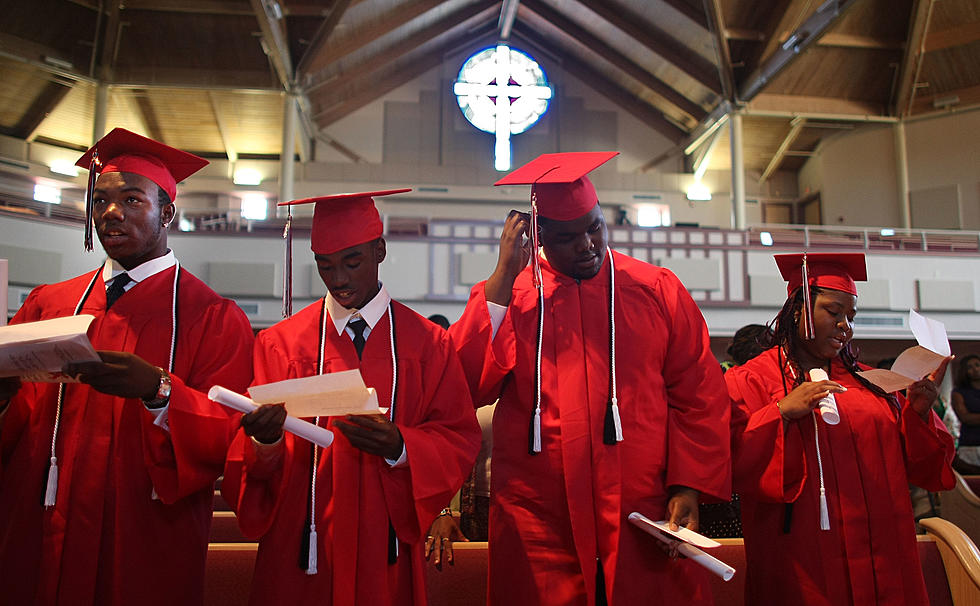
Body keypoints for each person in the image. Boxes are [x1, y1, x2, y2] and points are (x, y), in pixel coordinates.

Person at [450, 152, 731, 605]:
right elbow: (464, 386)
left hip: (643, 507)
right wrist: (501, 279)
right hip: (541, 514)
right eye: (567, 237)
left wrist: (687, 484)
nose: (586, 245)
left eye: (594, 227)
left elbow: (698, 394)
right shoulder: (515, 296)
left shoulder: (655, 289)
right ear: (539, 237)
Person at [0, 128, 254, 606]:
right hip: (42, 523)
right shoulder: (50, 305)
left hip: (142, 536)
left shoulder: (211, 316)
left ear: (167, 213)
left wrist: (161, 393)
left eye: (132, 199)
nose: (111, 213)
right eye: (101, 201)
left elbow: (231, 430)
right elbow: (20, 424)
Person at [222, 190, 480, 605]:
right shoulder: (280, 345)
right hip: (303, 550)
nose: (338, 279)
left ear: (379, 250)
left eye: (352, 262)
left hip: (387, 549)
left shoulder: (429, 344)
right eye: (325, 266)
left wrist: (402, 447)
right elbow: (252, 461)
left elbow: (458, 436)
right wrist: (263, 441)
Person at [726, 252, 954, 605]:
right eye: (834, 312)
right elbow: (732, 464)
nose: (846, 325)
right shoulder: (752, 380)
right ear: (797, 309)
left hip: (886, 558)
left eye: (851, 316)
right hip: (804, 562)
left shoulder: (875, 384)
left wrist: (919, 415)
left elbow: (925, 470)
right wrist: (781, 413)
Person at [952, 354, 980, 466]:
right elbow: (965, 417)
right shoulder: (959, 392)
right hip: (970, 445)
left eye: (977, 365)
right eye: (970, 367)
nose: (975, 370)